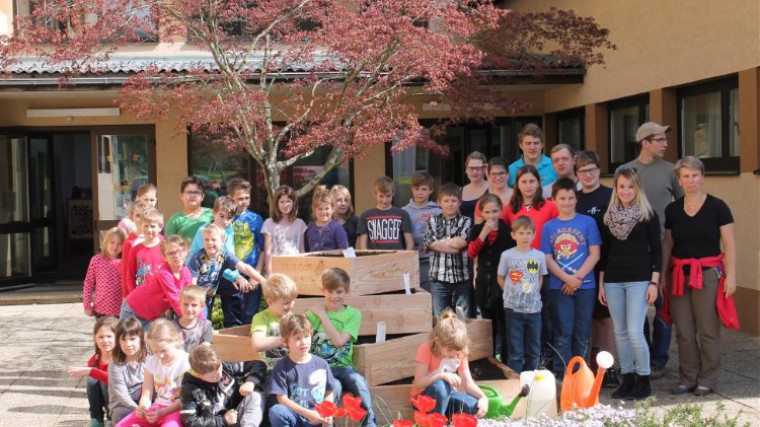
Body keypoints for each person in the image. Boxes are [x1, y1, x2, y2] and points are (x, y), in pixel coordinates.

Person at [662, 156, 738, 397]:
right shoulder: (673, 209)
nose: (691, 180)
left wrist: (732, 276)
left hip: (707, 274)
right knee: (684, 331)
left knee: (707, 330)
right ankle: (688, 378)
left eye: (695, 175)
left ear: (702, 177)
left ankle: (707, 378)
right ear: (680, 180)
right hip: (679, 277)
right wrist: (663, 276)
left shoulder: (718, 206)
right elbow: (668, 244)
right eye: (686, 176)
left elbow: (729, 243)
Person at [619, 121, 683, 379]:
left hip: (664, 250)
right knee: (638, 307)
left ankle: (659, 358)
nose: (665, 143)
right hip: (634, 252)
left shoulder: (671, 171)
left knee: (663, 305)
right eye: (660, 139)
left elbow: (682, 206)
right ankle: (641, 352)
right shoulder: (627, 171)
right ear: (645, 142)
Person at [598, 168, 661, 400]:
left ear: (638, 188)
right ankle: (628, 378)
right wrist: (602, 284)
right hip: (614, 280)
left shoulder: (648, 215)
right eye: (621, 186)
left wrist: (654, 283)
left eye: (630, 186)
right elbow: (605, 254)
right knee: (620, 332)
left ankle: (644, 380)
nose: (626, 191)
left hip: (639, 280)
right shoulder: (608, 216)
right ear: (616, 188)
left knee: (635, 331)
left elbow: (656, 252)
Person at [540, 178, 601, 377]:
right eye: (562, 198)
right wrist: (566, 278)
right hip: (559, 287)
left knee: (582, 333)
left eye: (571, 198)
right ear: (554, 200)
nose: (567, 202)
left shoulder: (588, 222)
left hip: (585, 286)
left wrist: (577, 278)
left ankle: (581, 375)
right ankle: (562, 374)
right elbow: (547, 258)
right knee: (563, 332)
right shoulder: (549, 227)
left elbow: (595, 254)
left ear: (576, 199)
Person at [502, 165, 559, 367]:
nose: (528, 186)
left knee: (543, 315)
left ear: (538, 183)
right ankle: (517, 362)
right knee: (518, 317)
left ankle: (543, 359)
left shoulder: (550, 207)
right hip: (518, 271)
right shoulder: (510, 209)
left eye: (532, 181)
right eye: (523, 182)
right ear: (517, 184)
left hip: (543, 268)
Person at [305, 268, 376, 427]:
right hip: (320, 369)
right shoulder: (310, 315)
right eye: (329, 291)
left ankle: (370, 422)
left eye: (339, 292)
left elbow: (338, 341)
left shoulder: (353, 314)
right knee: (333, 388)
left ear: (347, 291)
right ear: (323, 291)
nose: (334, 296)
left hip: (343, 367)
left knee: (358, 381)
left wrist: (323, 315)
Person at [574, 150, 617, 387]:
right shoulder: (574, 198)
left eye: (591, 169)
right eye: (582, 170)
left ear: (598, 170)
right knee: (586, 320)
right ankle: (589, 367)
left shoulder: (610, 196)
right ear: (577, 174)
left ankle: (609, 368)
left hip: (605, 264)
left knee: (605, 320)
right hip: (578, 267)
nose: (588, 174)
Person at [411, 310, 488, 417]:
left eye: (456, 351)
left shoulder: (460, 351)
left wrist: (483, 398)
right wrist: (441, 376)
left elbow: (467, 383)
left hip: (448, 395)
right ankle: (434, 421)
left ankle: (443, 417)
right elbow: (418, 382)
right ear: (437, 342)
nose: (453, 354)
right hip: (424, 398)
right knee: (440, 386)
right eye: (449, 350)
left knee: (473, 406)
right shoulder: (426, 349)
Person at [115, 319, 190, 427]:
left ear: (175, 340)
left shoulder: (187, 362)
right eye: (155, 351)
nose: (160, 355)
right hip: (156, 408)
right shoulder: (151, 361)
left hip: (176, 410)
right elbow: (147, 392)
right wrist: (143, 407)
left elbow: (186, 399)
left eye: (163, 350)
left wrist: (163, 412)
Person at [187, 224, 265, 327]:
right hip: (196, 298)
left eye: (213, 240)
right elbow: (192, 283)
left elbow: (244, 268)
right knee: (201, 323)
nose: (210, 243)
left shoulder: (225, 254)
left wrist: (264, 281)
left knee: (205, 325)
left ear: (222, 241)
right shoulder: (198, 258)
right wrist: (196, 302)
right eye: (206, 240)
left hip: (209, 298)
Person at [267, 315, 337, 427]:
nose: (304, 342)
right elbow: (282, 399)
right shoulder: (281, 368)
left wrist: (326, 411)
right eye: (297, 338)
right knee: (276, 411)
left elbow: (330, 392)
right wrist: (308, 414)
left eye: (306, 336)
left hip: (319, 418)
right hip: (296, 416)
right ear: (285, 341)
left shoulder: (321, 364)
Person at [497, 216, 547, 373]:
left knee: (534, 349)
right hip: (513, 309)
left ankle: (533, 381)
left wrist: (534, 293)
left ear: (534, 235)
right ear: (513, 235)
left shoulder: (539, 256)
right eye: (521, 233)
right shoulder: (507, 255)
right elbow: (501, 277)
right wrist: (509, 293)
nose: (525, 236)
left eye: (528, 233)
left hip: (534, 310)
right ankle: (515, 381)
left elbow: (540, 277)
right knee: (515, 350)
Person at [467, 194, 514, 362]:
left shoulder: (508, 231)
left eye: (495, 211)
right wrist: (484, 233)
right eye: (487, 212)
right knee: (488, 324)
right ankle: (489, 359)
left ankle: (507, 360)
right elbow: (472, 253)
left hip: (502, 281)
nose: (491, 215)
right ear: (482, 213)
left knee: (504, 323)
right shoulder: (477, 229)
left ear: (501, 210)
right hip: (483, 282)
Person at [180, 345, 267, 427]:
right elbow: (191, 421)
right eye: (212, 376)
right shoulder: (189, 389)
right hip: (217, 424)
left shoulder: (225, 367)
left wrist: (250, 382)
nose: (219, 377)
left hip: (236, 416)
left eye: (220, 371)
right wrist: (223, 420)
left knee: (255, 396)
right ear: (198, 375)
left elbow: (258, 365)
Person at [121, 235, 193, 328]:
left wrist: (199, 320)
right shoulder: (164, 273)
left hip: (151, 317)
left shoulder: (186, 273)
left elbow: (189, 298)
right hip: (133, 311)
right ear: (165, 257)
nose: (176, 255)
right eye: (171, 253)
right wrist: (191, 321)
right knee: (129, 341)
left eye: (179, 251)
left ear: (186, 252)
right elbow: (175, 300)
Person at [423, 183, 472, 317]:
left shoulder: (466, 221)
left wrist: (441, 242)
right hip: (438, 279)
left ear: (460, 202)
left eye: (454, 201)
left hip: (461, 278)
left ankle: (461, 339)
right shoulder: (432, 221)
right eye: (446, 201)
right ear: (439, 203)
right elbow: (430, 243)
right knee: (441, 319)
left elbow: (461, 241)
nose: (450, 204)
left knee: (463, 319)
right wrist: (453, 247)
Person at [228, 178, 266, 324]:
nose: (244, 201)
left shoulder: (256, 219)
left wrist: (256, 275)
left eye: (247, 198)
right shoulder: (226, 219)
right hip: (232, 276)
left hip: (251, 275)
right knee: (233, 318)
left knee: (251, 316)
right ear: (231, 198)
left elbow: (263, 250)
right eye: (239, 198)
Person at [69, 316, 118, 427]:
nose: (105, 340)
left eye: (109, 336)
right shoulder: (96, 358)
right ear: (95, 339)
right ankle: (96, 418)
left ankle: (111, 418)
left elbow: (113, 381)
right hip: (106, 399)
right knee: (92, 381)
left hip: (120, 402)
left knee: (102, 380)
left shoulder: (120, 358)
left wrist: (92, 371)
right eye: (101, 337)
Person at [403, 172, 442, 292]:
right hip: (411, 260)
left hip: (431, 260)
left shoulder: (438, 211)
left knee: (431, 295)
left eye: (424, 189)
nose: (420, 192)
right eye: (416, 188)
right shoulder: (403, 211)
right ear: (412, 189)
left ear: (431, 190)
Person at [250, 274, 298, 370]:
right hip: (271, 369)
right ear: (270, 302)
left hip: (292, 367)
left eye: (293, 301)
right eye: (286, 303)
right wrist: (285, 339)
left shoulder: (292, 317)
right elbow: (257, 344)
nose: (291, 305)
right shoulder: (261, 318)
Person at [356, 176, 414, 250]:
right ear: (375, 194)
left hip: (397, 259)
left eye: (388, 196)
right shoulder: (366, 216)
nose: (384, 200)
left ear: (393, 193)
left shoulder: (402, 214)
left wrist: (403, 259)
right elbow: (363, 246)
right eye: (381, 196)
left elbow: (410, 244)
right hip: (375, 259)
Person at [109, 317, 148, 424]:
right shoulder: (116, 365)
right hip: (124, 406)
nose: (128, 344)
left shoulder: (148, 359)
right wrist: (137, 409)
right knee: (120, 414)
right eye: (123, 339)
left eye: (132, 339)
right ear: (118, 341)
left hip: (145, 402)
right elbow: (123, 396)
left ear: (141, 338)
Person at [262, 185, 307, 275]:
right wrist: (269, 272)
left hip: (295, 268)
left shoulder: (300, 223)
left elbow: (301, 249)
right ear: (276, 204)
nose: (285, 205)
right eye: (282, 202)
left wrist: (304, 270)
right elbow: (268, 251)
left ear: (293, 203)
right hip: (276, 269)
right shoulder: (269, 223)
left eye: (288, 201)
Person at [83, 227, 127, 318]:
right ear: (106, 242)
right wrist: (87, 305)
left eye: (119, 244)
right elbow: (88, 283)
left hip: (120, 311)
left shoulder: (124, 262)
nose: (115, 246)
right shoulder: (96, 260)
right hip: (100, 310)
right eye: (112, 242)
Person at [123, 209, 165, 297]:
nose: (149, 229)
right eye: (146, 226)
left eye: (153, 226)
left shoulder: (165, 247)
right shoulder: (135, 250)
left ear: (160, 227)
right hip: (141, 297)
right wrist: (134, 296)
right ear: (141, 226)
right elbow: (130, 277)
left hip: (162, 296)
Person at [188, 196, 238, 261]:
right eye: (222, 216)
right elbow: (207, 257)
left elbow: (231, 254)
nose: (225, 221)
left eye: (229, 218)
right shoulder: (204, 230)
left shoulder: (229, 229)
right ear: (213, 213)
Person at [305, 186, 349, 252]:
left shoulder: (337, 228)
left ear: (332, 209)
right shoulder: (309, 229)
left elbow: (346, 250)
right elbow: (305, 251)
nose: (323, 212)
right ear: (314, 209)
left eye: (327, 208)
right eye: (320, 209)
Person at [121, 200, 150, 297]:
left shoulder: (156, 238)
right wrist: (126, 295)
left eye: (144, 215)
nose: (141, 219)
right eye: (137, 215)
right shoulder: (129, 242)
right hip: (136, 290)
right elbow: (125, 271)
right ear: (132, 217)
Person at [172, 285, 214, 351]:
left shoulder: (206, 325)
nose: (189, 309)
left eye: (194, 305)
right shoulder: (171, 326)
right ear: (180, 304)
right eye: (185, 304)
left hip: (196, 359)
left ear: (202, 306)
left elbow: (205, 348)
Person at [473, 157, 512, 224]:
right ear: (488, 175)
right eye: (494, 174)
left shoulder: (519, 197)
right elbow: (478, 231)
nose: (498, 177)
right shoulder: (483, 202)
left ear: (508, 174)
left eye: (502, 173)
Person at [460, 151, 490, 223]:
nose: (474, 172)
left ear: (484, 169)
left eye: (478, 168)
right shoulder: (459, 191)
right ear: (466, 169)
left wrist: (489, 174)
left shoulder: (492, 188)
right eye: (471, 168)